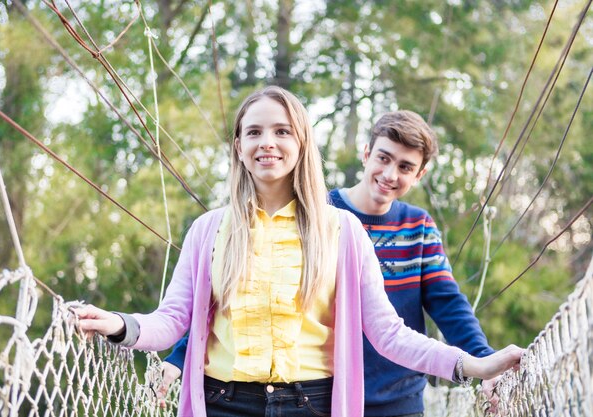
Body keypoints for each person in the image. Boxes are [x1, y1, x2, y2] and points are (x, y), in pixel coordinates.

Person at [75, 86, 522, 417]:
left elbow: (390, 332)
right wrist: (120, 325)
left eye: (281, 130)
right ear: (239, 148)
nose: (267, 141)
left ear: (301, 142)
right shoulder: (209, 230)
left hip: (314, 404)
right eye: (254, 132)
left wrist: (472, 365)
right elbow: (175, 319)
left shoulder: (341, 230)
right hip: (223, 403)